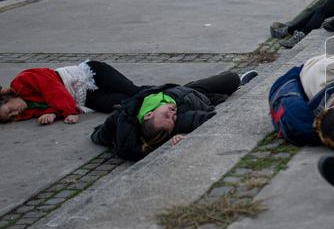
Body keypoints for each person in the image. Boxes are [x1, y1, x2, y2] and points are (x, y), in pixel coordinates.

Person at [90, 71, 256, 161]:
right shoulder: (180, 122)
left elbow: (101, 136)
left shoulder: (127, 113)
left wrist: (103, 132)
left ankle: (231, 87)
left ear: (148, 115)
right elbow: (211, 120)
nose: (173, 114)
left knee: (227, 79)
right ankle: (238, 84)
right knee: (231, 79)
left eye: (166, 115)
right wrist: (181, 138)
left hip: (185, 89)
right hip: (200, 97)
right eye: (173, 119)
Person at [0, 61, 149, 124]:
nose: (15, 114)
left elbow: (53, 90)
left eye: (10, 110)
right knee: (120, 103)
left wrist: (68, 112)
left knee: (132, 90)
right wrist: (53, 114)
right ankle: (153, 107)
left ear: (6, 99)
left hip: (91, 75)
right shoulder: (28, 111)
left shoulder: (22, 81)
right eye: (10, 117)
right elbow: (50, 104)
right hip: (84, 98)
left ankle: (169, 91)